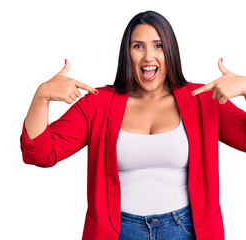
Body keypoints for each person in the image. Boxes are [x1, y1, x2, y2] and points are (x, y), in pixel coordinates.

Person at [20, 10, 246, 240]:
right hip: (118, 231)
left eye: (158, 45)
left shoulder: (203, 99)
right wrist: (42, 96)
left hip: (185, 229)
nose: (148, 56)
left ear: (170, 51)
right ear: (127, 53)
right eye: (138, 46)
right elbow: (40, 154)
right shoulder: (98, 103)